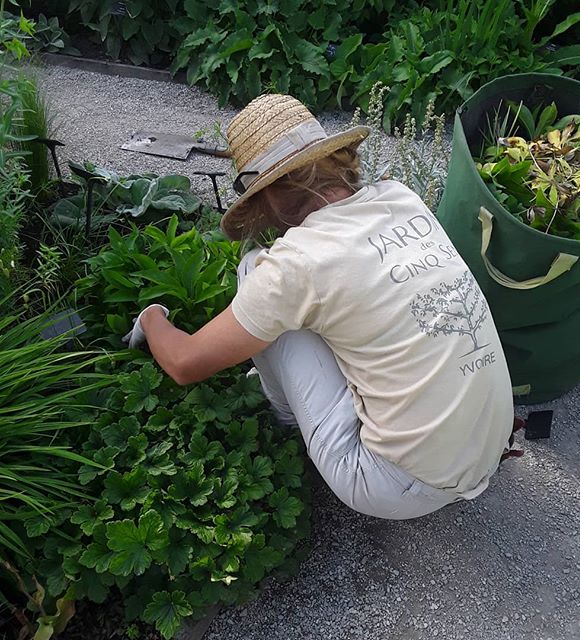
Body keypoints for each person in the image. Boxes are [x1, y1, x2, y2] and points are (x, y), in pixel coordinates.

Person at [123, 93, 517, 520]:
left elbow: (184, 363)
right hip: (487, 446)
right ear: (337, 159)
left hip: (395, 486)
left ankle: (286, 417)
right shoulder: (400, 198)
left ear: (267, 196)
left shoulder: (295, 265)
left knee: (255, 271)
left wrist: (152, 318)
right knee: (322, 301)